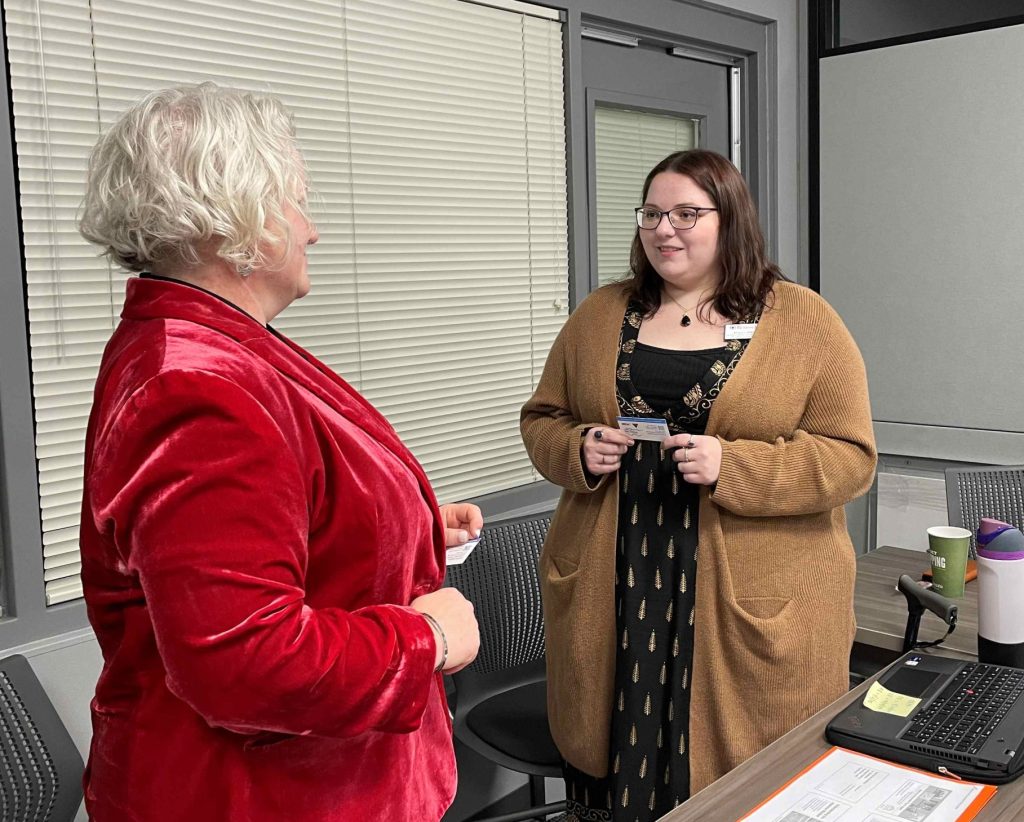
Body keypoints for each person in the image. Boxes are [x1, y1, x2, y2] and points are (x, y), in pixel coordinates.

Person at [76, 82, 481, 821]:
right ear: (237, 217)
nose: (311, 230)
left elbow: (276, 517)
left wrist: (403, 524)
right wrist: (428, 638)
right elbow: (245, 664)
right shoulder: (196, 384)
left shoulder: (217, 349)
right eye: (296, 201)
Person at [521, 149, 876, 821]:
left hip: (743, 598)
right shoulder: (600, 315)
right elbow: (542, 419)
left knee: (739, 787)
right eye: (652, 213)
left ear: (730, 221)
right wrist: (579, 447)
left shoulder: (803, 322)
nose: (665, 229)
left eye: (687, 213)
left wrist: (733, 465)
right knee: (610, 766)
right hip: (621, 585)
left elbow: (851, 458)